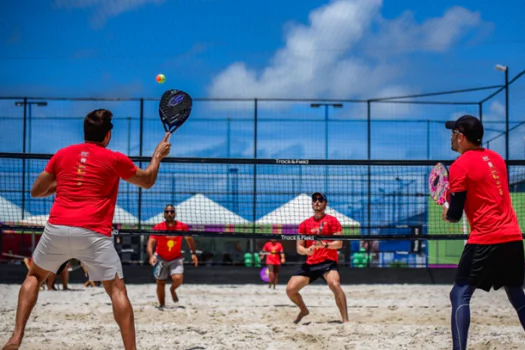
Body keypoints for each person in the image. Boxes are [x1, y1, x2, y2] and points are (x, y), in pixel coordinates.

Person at [2, 109, 171, 350]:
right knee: (117, 291)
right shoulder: (115, 158)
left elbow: (36, 191)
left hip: (58, 228)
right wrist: (157, 155)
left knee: (34, 276)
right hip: (93, 232)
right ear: (108, 135)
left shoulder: (62, 154)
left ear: (85, 132)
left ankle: (16, 337)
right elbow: (147, 180)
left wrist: (62, 184)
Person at [442, 115, 525, 350]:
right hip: (512, 236)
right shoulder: (497, 159)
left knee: (459, 294)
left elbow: (455, 214)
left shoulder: (459, 166)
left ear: (460, 136)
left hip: (485, 238)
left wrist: (447, 210)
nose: (450, 137)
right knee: (516, 292)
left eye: (452, 133)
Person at [285, 192, 349, 324]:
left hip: (328, 262)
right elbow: (299, 248)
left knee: (335, 284)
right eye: (314, 199)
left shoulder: (332, 220)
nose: (317, 202)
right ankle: (304, 310)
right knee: (290, 290)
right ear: (312, 203)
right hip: (311, 263)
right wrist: (307, 251)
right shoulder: (304, 224)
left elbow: (339, 243)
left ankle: (346, 320)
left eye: (320, 200)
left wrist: (324, 244)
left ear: (325, 203)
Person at [147, 204, 198, 308]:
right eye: (167, 212)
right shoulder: (158, 227)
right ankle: (162, 305)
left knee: (178, 278)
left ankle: (172, 289)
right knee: (160, 282)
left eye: (171, 211)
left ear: (175, 213)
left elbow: (190, 239)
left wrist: (193, 253)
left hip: (176, 257)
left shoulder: (182, 226)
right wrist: (151, 256)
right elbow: (150, 243)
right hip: (160, 257)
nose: (169, 213)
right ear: (164, 214)